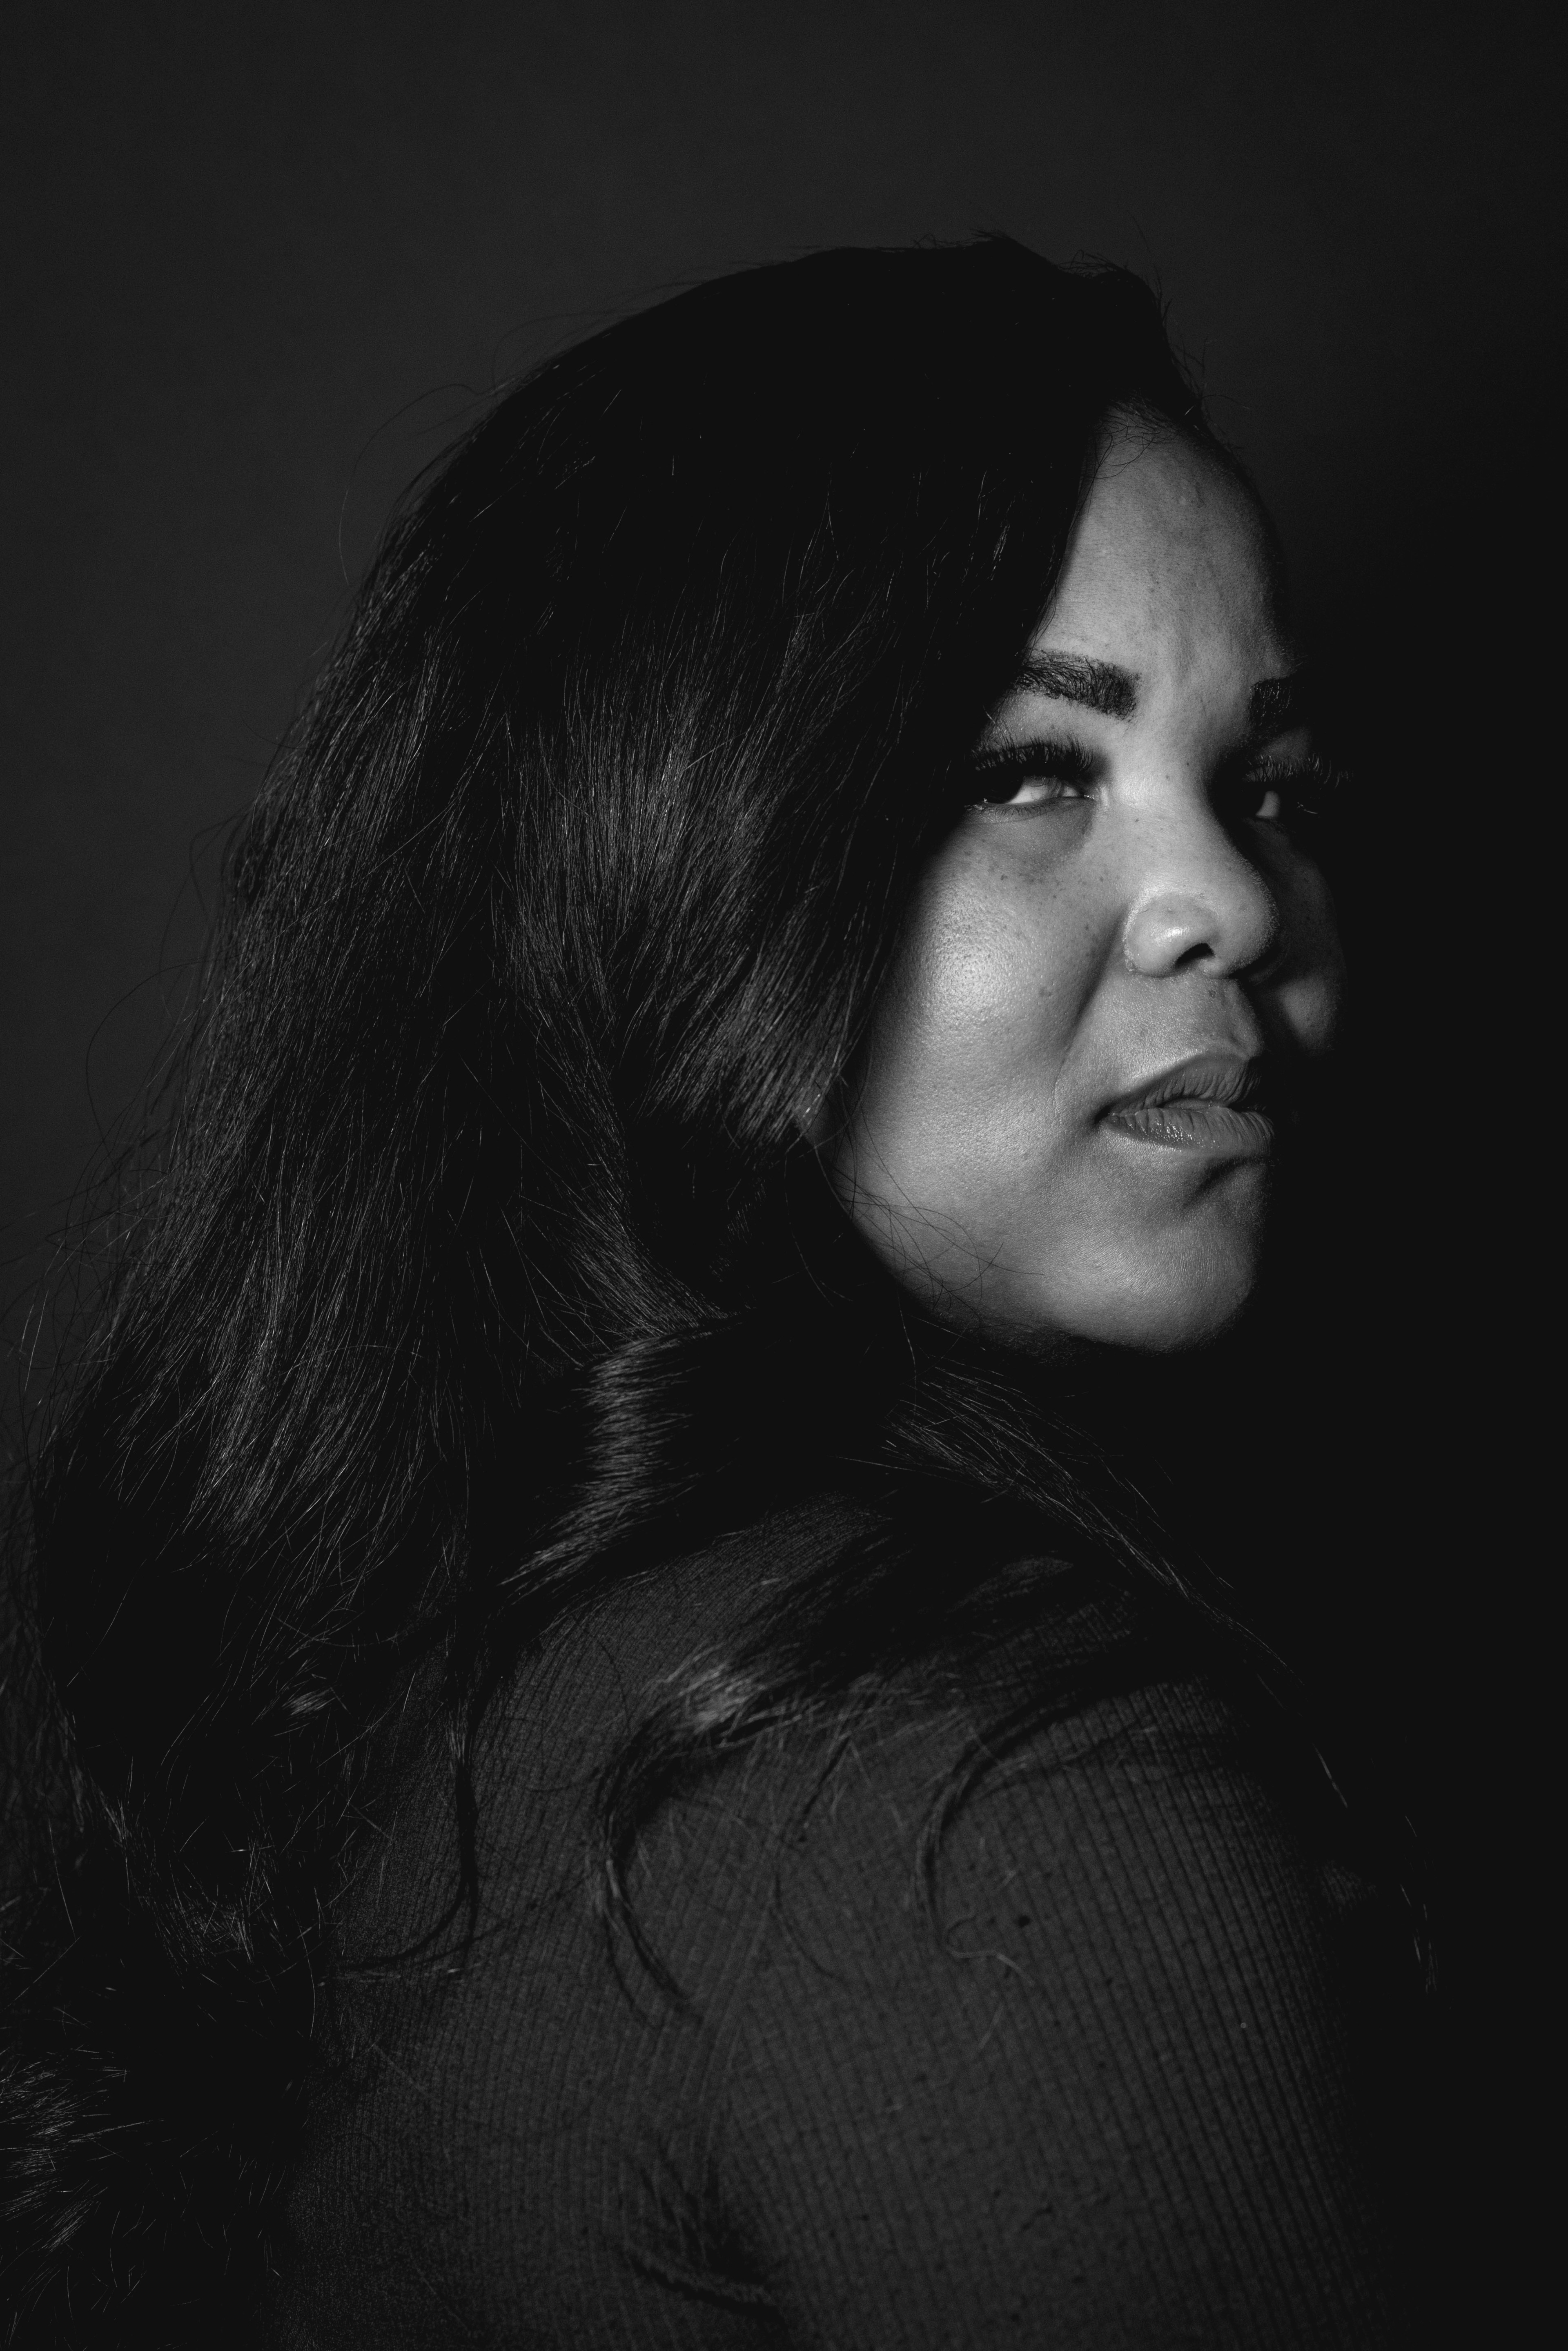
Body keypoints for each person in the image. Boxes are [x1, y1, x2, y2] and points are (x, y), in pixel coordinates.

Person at [0, 238, 1429, 2347]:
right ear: (679, 848)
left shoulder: (433, 1626)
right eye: (1028, 771)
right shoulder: (987, 1784)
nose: (1230, 895)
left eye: (1276, 789)